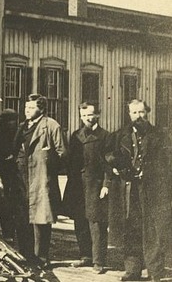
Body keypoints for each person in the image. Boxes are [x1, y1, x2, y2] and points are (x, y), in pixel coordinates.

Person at [106, 100, 172, 282]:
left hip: (153, 189)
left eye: (142, 112)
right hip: (129, 189)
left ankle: (155, 271)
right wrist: (117, 166)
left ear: (147, 113)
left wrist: (149, 170)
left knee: (152, 230)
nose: (138, 116)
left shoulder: (160, 135)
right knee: (131, 227)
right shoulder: (121, 135)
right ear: (129, 114)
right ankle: (133, 270)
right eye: (134, 113)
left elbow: (168, 162)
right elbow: (109, 154)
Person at [14, 94, 65, 268]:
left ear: (41, 109)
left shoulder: (51, 126)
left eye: (31, 107)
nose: (26, 110)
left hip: (41, 177)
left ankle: (41, 257)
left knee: (41, 219)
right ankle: (25, 255)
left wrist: (47, 163)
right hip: (22, 178)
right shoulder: (22, 127)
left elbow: (62, 153)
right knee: (23, 217)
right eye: (26, 107)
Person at [62, 102, 111, 273]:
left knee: (96, 222)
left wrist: (106, 185)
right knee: (79, 220)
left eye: (90, 115)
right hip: (77, 184)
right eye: (83, 116)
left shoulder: (105, 136)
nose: (87, 119)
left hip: (95, 185)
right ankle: (85, 256)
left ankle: (99, 261)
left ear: (97, 114)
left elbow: (109, 164)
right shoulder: (76, 135)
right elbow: (69, 161)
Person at [0, 109, 21, 242]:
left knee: (14, 204)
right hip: (4, 174)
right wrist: (3, 159)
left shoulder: (19, 135)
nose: (12, 123)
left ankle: (12, 232)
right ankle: (8, 232)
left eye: (14, 120)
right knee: (5, 203)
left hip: (16, 174)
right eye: (10, 121)